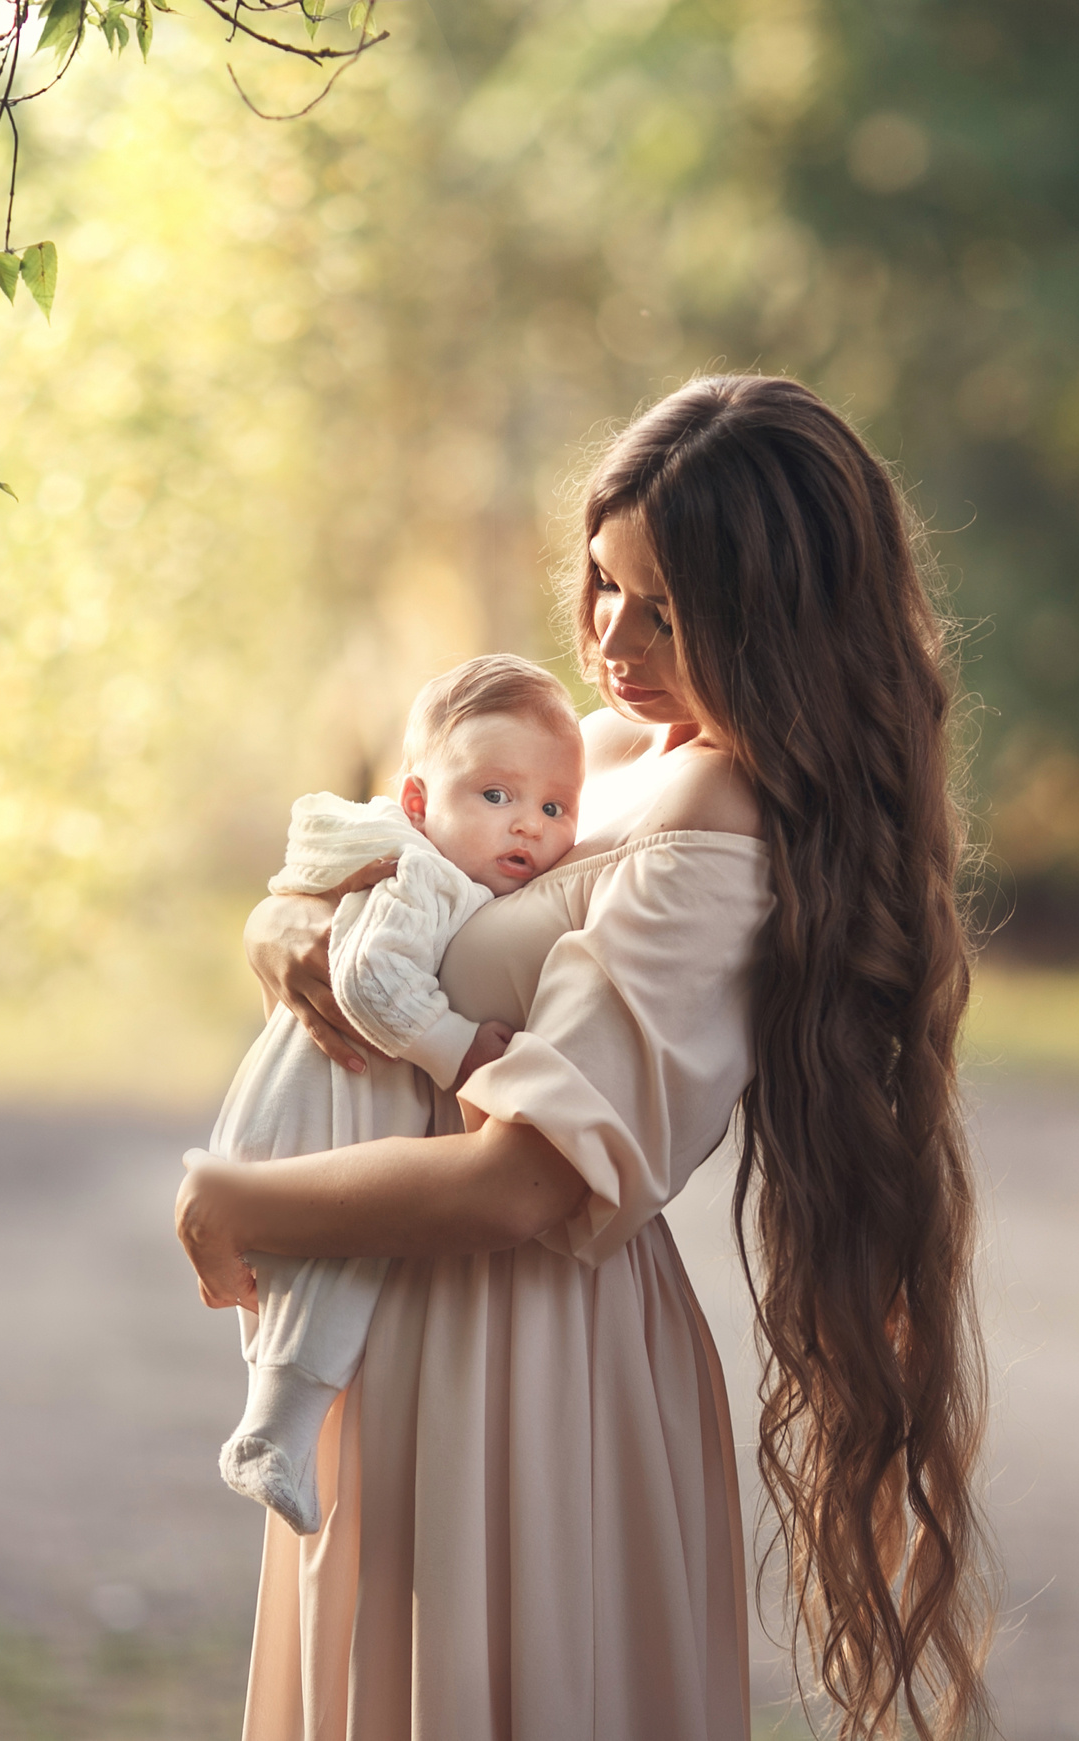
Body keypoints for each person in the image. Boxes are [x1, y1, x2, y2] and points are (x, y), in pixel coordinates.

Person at [175, 375, 991, 1741]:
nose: (615, 635)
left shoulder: (718, 828)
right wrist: (283, 932)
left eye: (668, 610)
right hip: (402, 1315)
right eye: (607, 584)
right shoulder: (588, 747)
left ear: (776, 621)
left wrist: (231, 1202)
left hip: (526, 1350)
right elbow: (367, 867)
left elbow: (533, 1186)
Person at [211, 655, 584, 1536]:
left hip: (344, 1094)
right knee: (325, 1276)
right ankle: (274, 1437)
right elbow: (371, 975)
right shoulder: (423, 875)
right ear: (417, 804)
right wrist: (458, 1052)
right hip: (328, 1096)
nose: (526, 824)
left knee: (315, 1278)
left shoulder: (452, 871)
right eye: (494, 795)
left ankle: (276, 1435)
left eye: (554, 807)